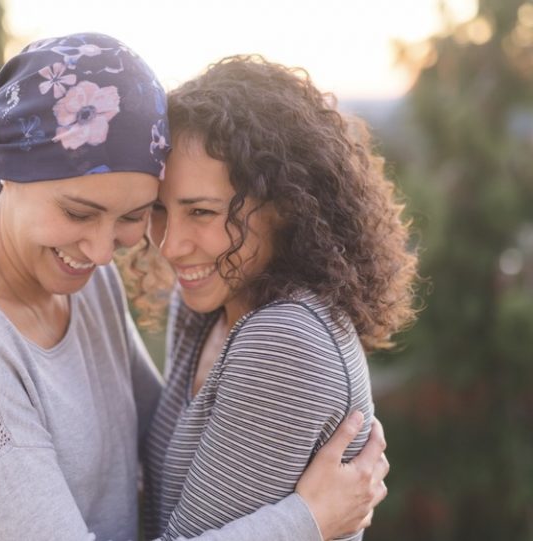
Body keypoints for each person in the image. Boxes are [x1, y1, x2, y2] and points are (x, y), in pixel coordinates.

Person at [0, 35, 388, 541]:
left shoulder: (85, 285)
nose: (104, 252)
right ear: (9, 173)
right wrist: (305, 521)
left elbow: (161, 464)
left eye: (132, 216)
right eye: (79, 213)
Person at [133, 55, 416, 541]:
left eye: (202, 212)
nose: (170, 245)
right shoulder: (207, 309)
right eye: (160, 210)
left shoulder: (285, 341)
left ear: (287, 205)